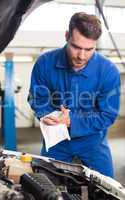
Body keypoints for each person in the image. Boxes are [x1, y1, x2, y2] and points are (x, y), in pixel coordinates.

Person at [28, 12, 120, 178]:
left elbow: (108, 115)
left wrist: (72, 121)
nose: (81, 56)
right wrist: (47, 115)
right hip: (56, 140)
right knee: (47, 186)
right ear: (66, 36)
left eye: (89, 49)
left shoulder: (108, 71)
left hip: (93, 141)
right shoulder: (45, 63)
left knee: (107, 189)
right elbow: (38, 98)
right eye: (76, 47)